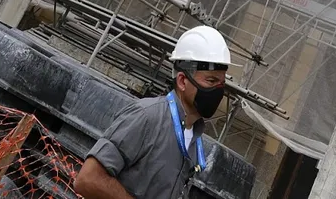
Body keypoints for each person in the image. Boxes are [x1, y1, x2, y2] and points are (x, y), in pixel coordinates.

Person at [75, 26, 230, 199]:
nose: (218, 90)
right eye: (211, 80)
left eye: (222, 84)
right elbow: (88, 179)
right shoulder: (146, 117)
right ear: (182, 81)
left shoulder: (194, 139)